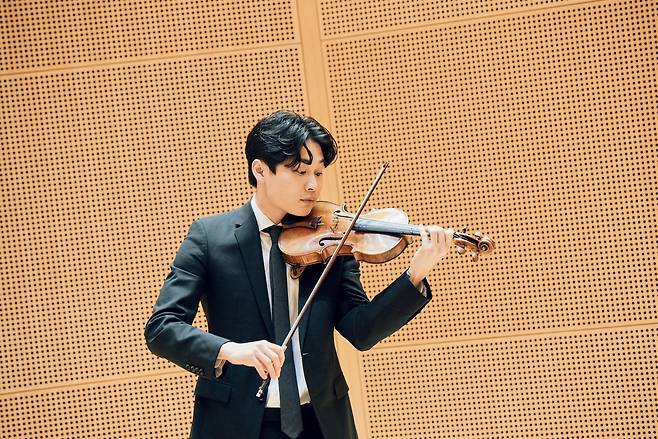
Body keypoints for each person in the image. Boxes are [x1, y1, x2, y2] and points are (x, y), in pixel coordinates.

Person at [144, 110, 453, 439]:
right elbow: (162, 328)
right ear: (260, 170)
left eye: (319, 173)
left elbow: (361, 330)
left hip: (321, 421)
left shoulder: (331, 240)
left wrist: (416, 272)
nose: (312, 185)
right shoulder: (209, 238)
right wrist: (231, 350)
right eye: (300, 171)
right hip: (236, 423)